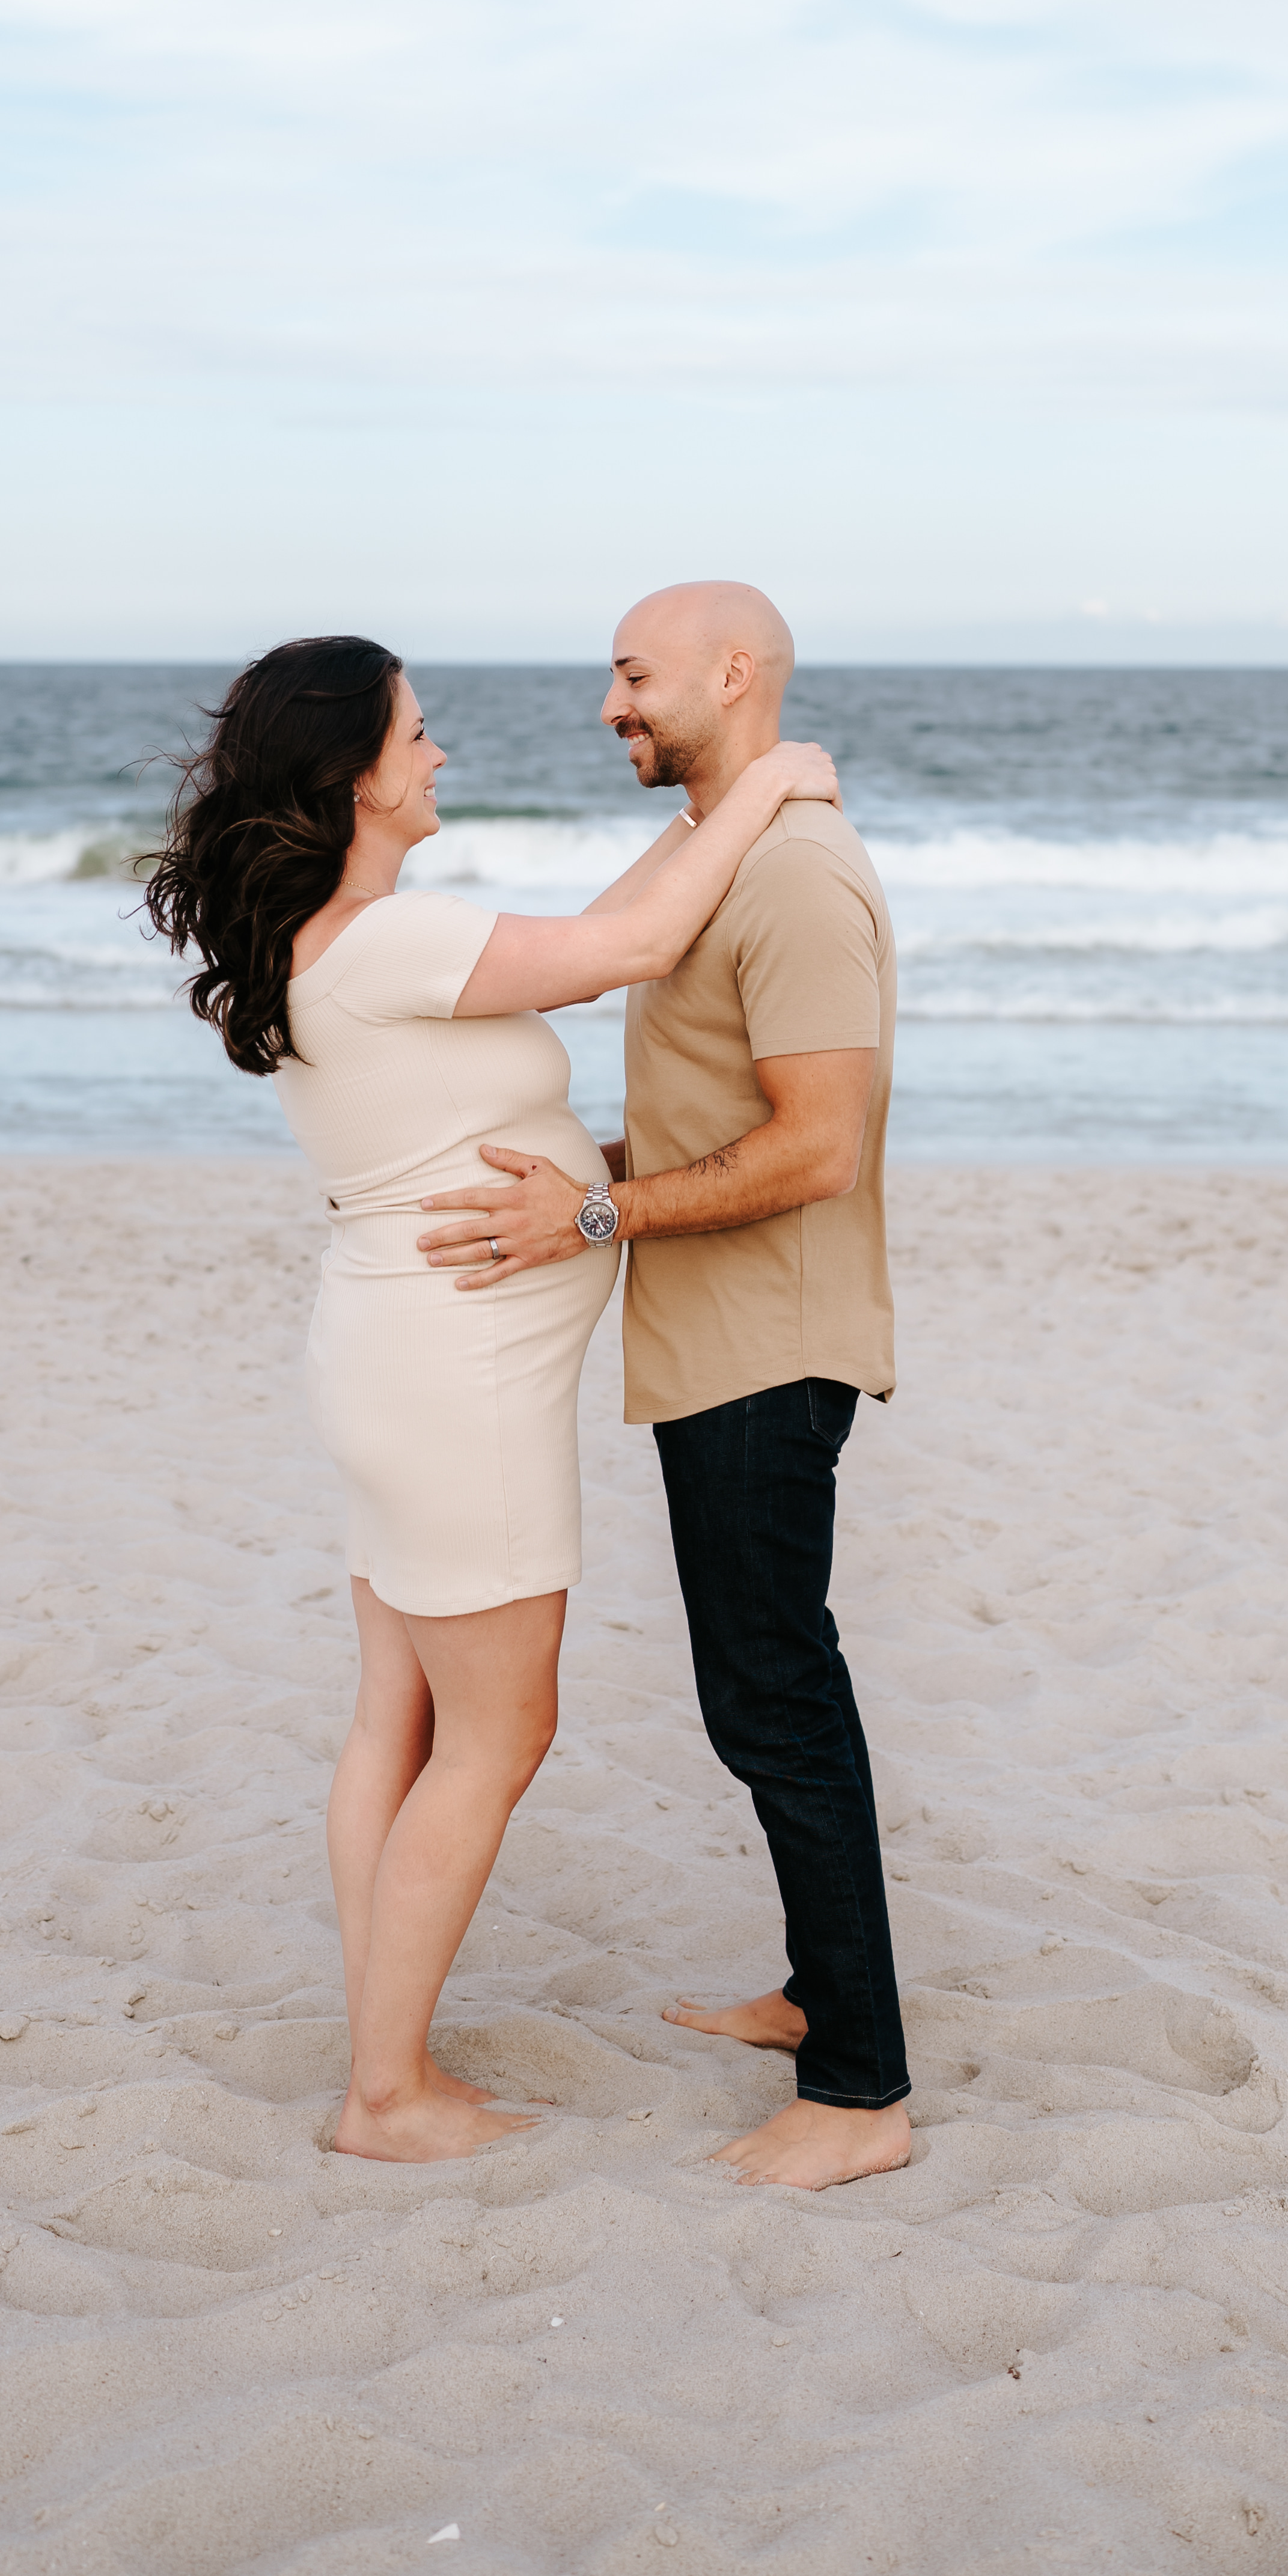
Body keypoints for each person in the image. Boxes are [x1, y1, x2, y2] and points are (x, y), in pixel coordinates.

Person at [141, 633, 838, 2165]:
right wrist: (772, 777)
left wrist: (704, 812)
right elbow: (631, 953)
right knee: (497, 1734)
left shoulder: (346, 940)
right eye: (417, 730)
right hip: (457, 1381)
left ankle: (381, 2052)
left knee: (396, 1712)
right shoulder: (383, 943)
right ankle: (385, 2093)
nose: (438, 752)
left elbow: (600, 928)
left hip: (396, 1357)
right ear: (354, 775)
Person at [417, 582, 909, 2193]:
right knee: (756, 1696)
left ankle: (860, 2094)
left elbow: (817, 1149)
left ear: (733, 673)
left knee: (777, 1701)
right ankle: (823, 1995)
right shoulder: (730, 862)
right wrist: (590, 1176)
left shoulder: (800, 879)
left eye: (633, 676)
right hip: (716, 1335)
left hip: (773, 1346)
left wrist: (599, 1209)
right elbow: (722, 1120)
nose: (612, 706)